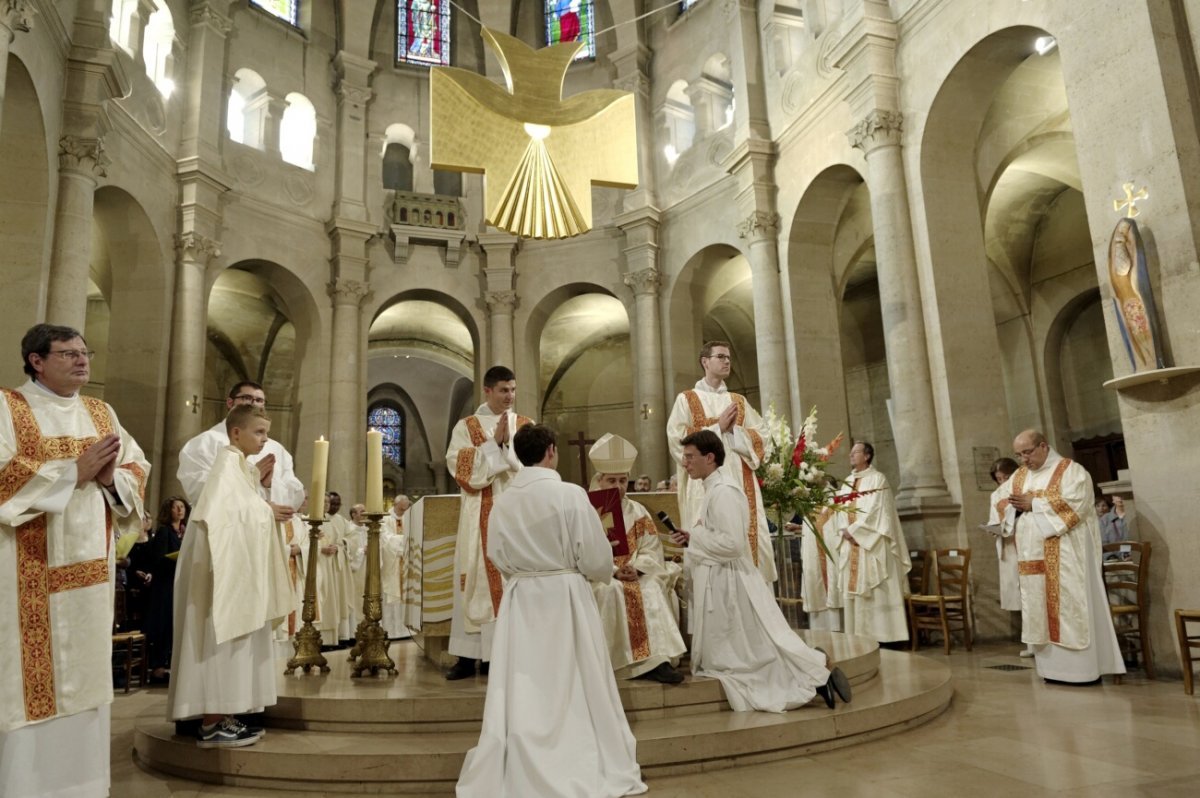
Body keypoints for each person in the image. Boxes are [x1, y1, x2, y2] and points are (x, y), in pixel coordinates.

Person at [456, 425, 646, 798]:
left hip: (522, 599)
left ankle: (524, 753)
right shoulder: (570, 494)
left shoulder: (505, 501)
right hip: (566, 598)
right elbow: (594, 559)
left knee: (527, 682)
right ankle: (577, 754)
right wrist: (599, 566)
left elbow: (496, 554)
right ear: (551, 452)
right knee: (574, 677)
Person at [0, 324, 149, 798]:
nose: (82, 361)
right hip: (26, 575)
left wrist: (109, 480)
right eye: (68, 354)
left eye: (85, 353)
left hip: (90, 578)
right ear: (36, 360)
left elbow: (136, 468)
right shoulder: (8, 407)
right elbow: (3, 476)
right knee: (27, 689)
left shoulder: (102, 412)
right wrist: (73, 472)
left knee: (87, 683)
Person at [670, 430, 848, 713]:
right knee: (745, 651)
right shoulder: (713, 489)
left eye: (690, 456)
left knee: (744, 657)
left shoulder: (724, 492)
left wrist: (695, 538)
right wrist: (693, 534)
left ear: (710, 457)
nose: (684, 462)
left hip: (729, 580)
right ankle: (815, 672)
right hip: (722, 576)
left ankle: (814, 676)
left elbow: (732, 543)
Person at [167, 405, 294, 747]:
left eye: (266, 433)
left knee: (232, 639)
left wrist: (259, 486)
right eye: (259, 432)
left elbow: (243, 506)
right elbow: (223, 512)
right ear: (235, 432)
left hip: (232, 564)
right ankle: (212, 721)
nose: (265, 440)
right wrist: (266, 510)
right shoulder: (226, 463)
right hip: (219, 570)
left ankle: (224, 716)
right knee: (218, 637)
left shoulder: (240, 467)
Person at [994, 430, 1125, 684]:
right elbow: (1000, 501)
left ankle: (1081, 672)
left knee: (1070, 609)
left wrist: (1034, 504)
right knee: (1039, 610)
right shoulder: (1020, 476)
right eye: (1018, 455)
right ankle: (1051, 670)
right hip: (1032, 561)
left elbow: (1076, 505)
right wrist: (1011, 509)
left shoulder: (1071, 471)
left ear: (1043, 446)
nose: (1023, 460)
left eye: (1027, 452)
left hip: (1067, 559)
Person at [444, 365, 532, 680]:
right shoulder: (466, 426)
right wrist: (494, 444)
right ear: (488, 391)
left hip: (515, 514)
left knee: (512, 580)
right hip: (478, 512)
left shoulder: (526, 425)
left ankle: (503, 655)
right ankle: (467, 657)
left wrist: (505, 449)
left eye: (512, 390)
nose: (510, 396)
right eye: (503, 390)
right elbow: (461, 468)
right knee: (474, 577)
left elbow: (532, 465)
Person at [667, 340, 775, 584]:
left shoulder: (738, 401)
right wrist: (718, 428)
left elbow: (763, 436)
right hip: (702, 487)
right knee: (711, 542)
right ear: (705, 362)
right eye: (720, 357)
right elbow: (678, 442)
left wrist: (735, 433)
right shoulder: (687, 399)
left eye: (728, 357)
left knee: (743, 541)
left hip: (739, 482)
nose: (727, 361)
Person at [587, 434, 687, 684]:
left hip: (635, 573)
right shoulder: (587, 511)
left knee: (652, 588)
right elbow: (583, 550)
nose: (619, 486)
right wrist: (612, 570)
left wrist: (637, 568)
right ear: (600, 480)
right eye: (612, 480)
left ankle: (657, 661)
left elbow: (651, 550)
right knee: (611, 592)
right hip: (602, 576)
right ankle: (616, 661)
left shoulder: (638, 511)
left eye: (623, 480)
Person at [177, 381, 305, 513]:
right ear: (230, 403)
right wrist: (251, 477)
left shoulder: (277, 449)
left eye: (259, 400)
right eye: (246, 398)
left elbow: (296, 496)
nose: (253, 403)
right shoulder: (204, 443)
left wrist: (271, 485)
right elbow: (200, 492)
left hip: (265, 529)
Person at [834, 441, 912, 644]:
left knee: (876, 588)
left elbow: (878, 511)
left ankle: (885, 636)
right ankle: (860, 637)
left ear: (867, 456)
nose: (851, 456)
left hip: (872, 544)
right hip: (851, 544)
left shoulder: (878, 479)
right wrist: (844, 529)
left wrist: (855, 531)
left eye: (855, 452)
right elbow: (840, 510)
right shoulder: (847, 482)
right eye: (850, 453)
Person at [986, 457, 1033, 657]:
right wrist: (993, 528)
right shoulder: (996, 494)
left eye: (1006, 477)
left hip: (1024, 545)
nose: (1002, 482)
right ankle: (1030, 642)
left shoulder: (1024, 487)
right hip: (1008, 548)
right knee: (1020, 596)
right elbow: (994, 519)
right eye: (998, 478)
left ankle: (1036, 642)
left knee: (1031, 593)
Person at [141, 496, 190, 681]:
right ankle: (157, 668)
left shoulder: (186, 533)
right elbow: (158, 559)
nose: (180, 510)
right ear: (168, 511)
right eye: (176, 507)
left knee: (175, 626)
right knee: (163, 625)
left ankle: (172, 665)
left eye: (182, 507)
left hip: (178, 583)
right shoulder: (164, 532)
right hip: (164, 585)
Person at [315, 492, 356, 646]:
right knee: (324, 600)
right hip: (321, 566)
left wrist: (340, 546)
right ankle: (321, 640)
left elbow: (351, 539)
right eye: (324, 501)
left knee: (336, 599)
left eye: (328, 501)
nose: (327, 504)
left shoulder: (338, 521)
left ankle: (336, 637)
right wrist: (321, 548)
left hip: (336, 567)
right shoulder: (309, 519)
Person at [381, 494, 414, 639]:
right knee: (392, 595)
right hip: (392, 563)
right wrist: (404, 542)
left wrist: (406, 543)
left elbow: (414, 536)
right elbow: (385, 539)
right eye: (404, 504)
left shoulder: (410, 518)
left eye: (407, 504)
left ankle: (406, 630)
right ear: (396, 504)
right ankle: (391, 630)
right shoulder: (385, 519)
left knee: (406, 594)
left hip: (407, 562)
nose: (406, 506)